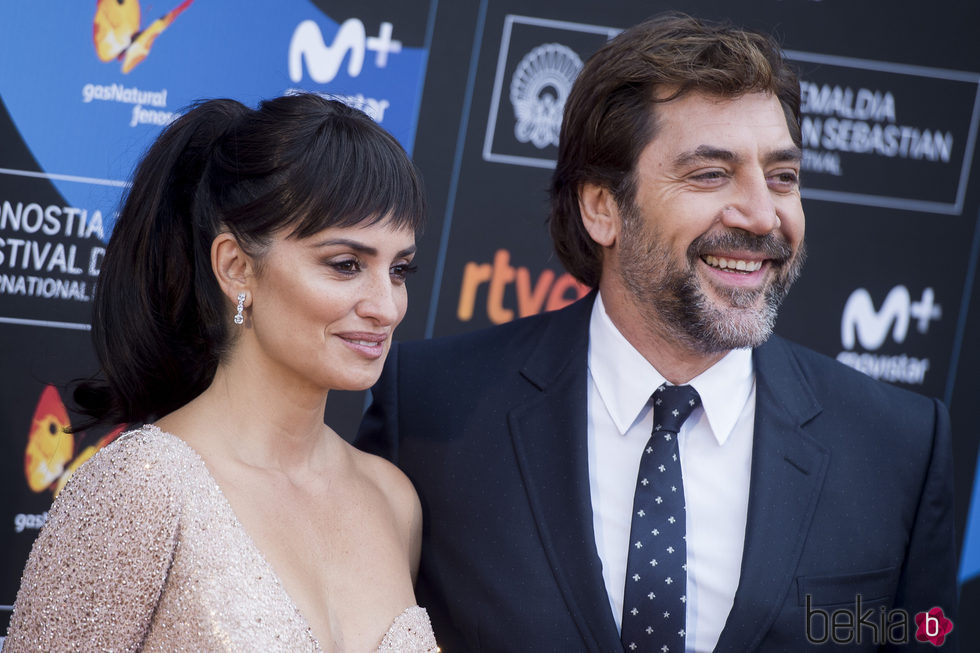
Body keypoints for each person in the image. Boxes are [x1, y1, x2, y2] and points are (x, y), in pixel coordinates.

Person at [355, 12, 958, 652]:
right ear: (602, 208)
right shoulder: (430, 411)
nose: (762, 215)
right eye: (710, 173)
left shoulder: (898, 448)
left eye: (782, 176)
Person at [3, 93, 437, 651]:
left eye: (399, 270)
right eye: (346, 265)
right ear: (236, 267)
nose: (387, 306)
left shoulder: (393, 500)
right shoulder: (141, 487)